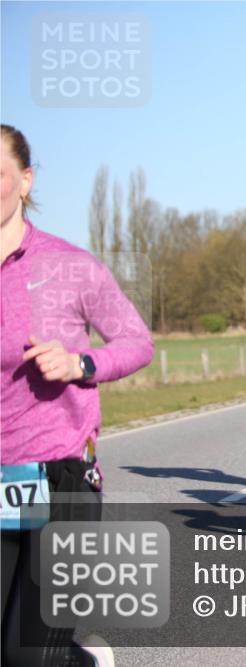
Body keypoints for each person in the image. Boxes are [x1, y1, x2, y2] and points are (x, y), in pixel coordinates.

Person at [1, 124, 154, 666]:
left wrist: (79, 363)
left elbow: (138, 343)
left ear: (25, 180)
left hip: (60, 473)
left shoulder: (68, 266)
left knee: (26, 656)